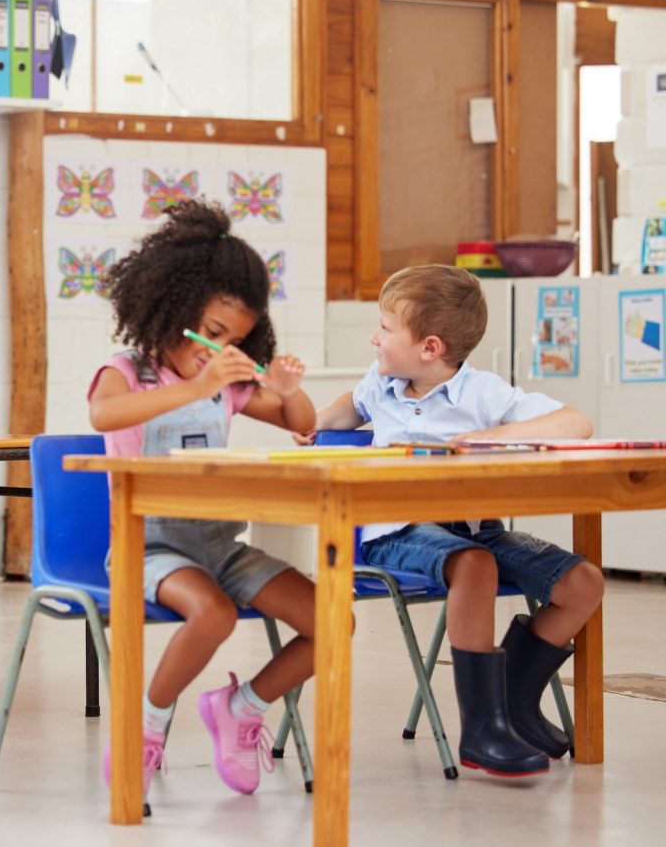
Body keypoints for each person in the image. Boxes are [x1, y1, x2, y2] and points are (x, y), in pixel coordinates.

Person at [308, 264, 604, 777]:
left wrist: (482, 440)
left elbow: (576, 422)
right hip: (395, 530)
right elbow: (346, 408)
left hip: (475, 528)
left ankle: (511, 698)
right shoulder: (380, 382)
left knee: (583, 582)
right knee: (476, 566)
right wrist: (314, 422)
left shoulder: (482, 393)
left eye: (385, 327)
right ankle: (482, 731)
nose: (374, 338)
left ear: (430, 347)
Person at [87, 200, 321, 797]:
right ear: (169, 305)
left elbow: (302, 424)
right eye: (211, 334)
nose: (217, 350)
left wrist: (288, 391)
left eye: (234, 340)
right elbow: (103, 414)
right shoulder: (128, 372)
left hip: (221, 547)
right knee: (212, 613)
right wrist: (194, 386)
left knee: (332, 620)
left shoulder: (228, 387)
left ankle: (241, 707)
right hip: (149, 547)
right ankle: (147, 725)